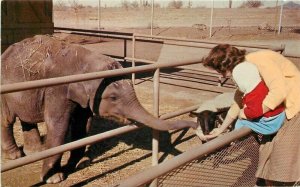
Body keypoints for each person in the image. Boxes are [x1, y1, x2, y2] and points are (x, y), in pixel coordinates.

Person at [201, 44, 300, 185]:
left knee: (283, 160)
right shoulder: (244, 69)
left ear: (226, 65)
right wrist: (221, 129)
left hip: (294, 107)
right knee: (266, 154)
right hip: (280, 110)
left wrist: (251, 113)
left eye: (220, 71)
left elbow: (279, 92)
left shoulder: (259, 61)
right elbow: (238, 100)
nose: (220, 75)